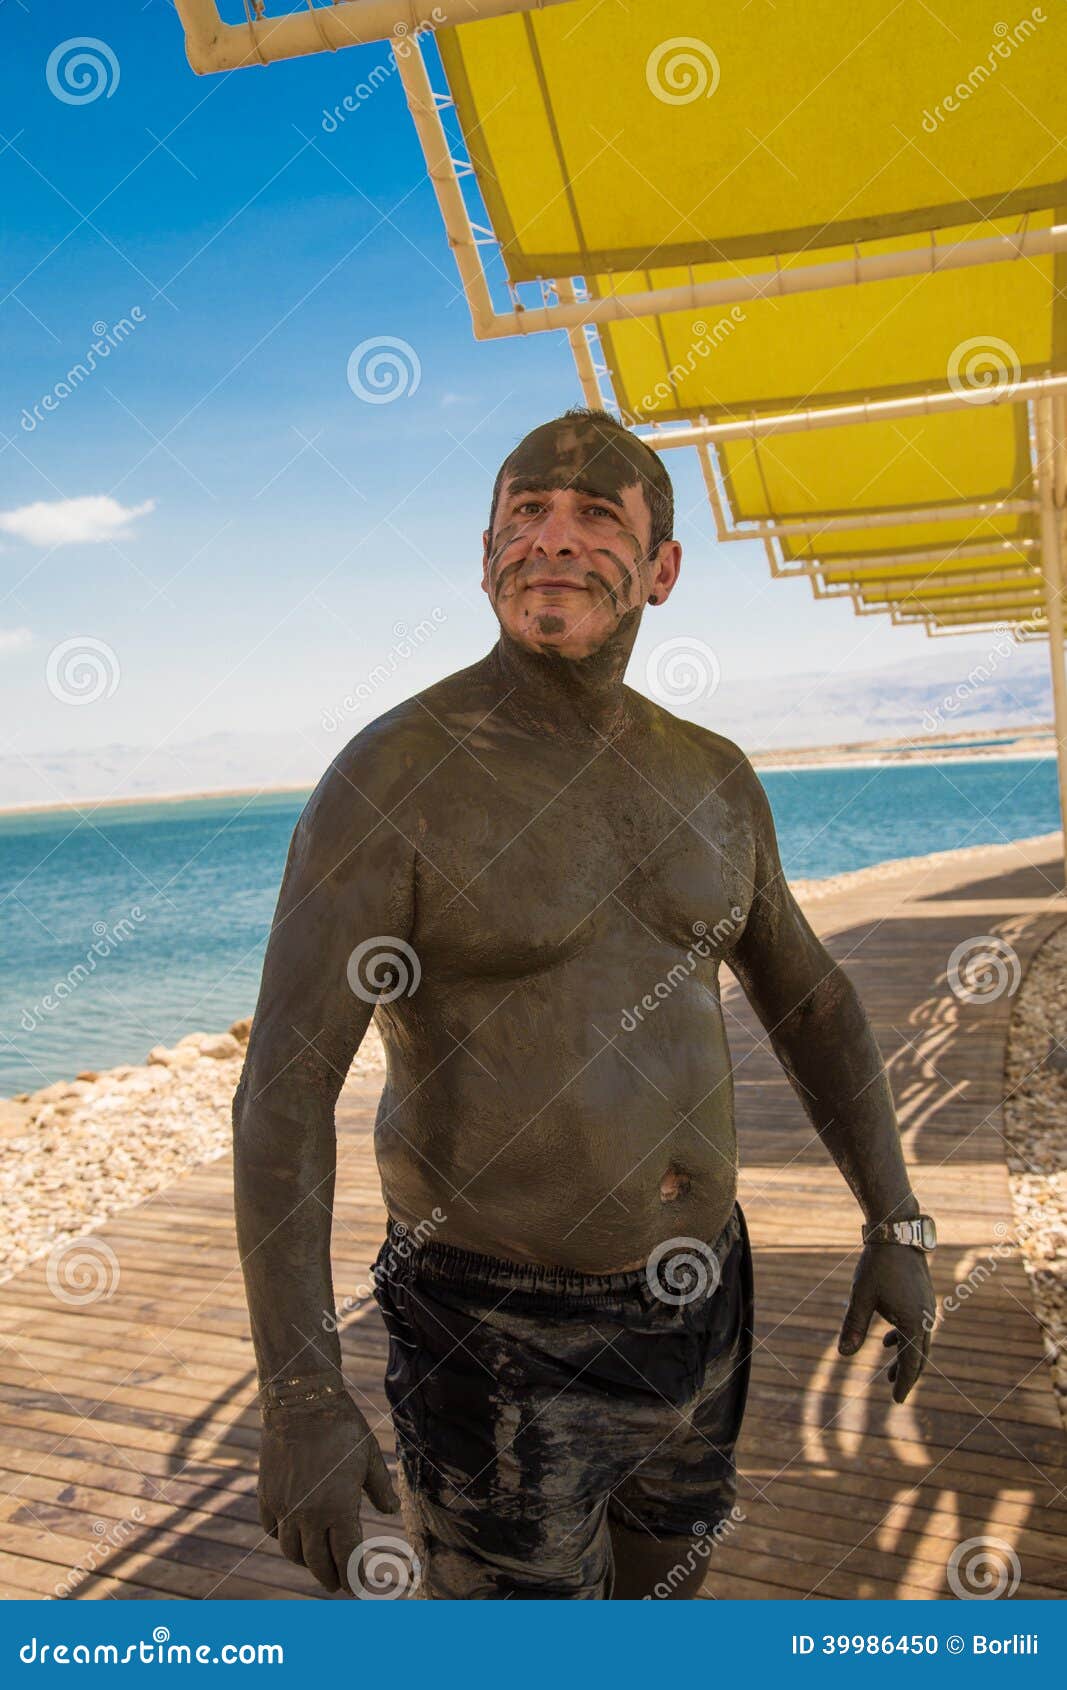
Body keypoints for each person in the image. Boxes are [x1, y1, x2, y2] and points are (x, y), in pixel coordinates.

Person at [233, 408, 937, 1600]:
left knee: (665, 1601)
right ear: (486, 551)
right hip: (492, 1329)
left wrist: (895, 1220)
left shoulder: (709, 774)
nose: (550, 539)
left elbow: (808, 1001)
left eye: (595, 514)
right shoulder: (394, 777)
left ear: (660, 570)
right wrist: (299, 1393)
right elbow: (283, 1090)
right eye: (524, 513)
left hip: (703, 1297)